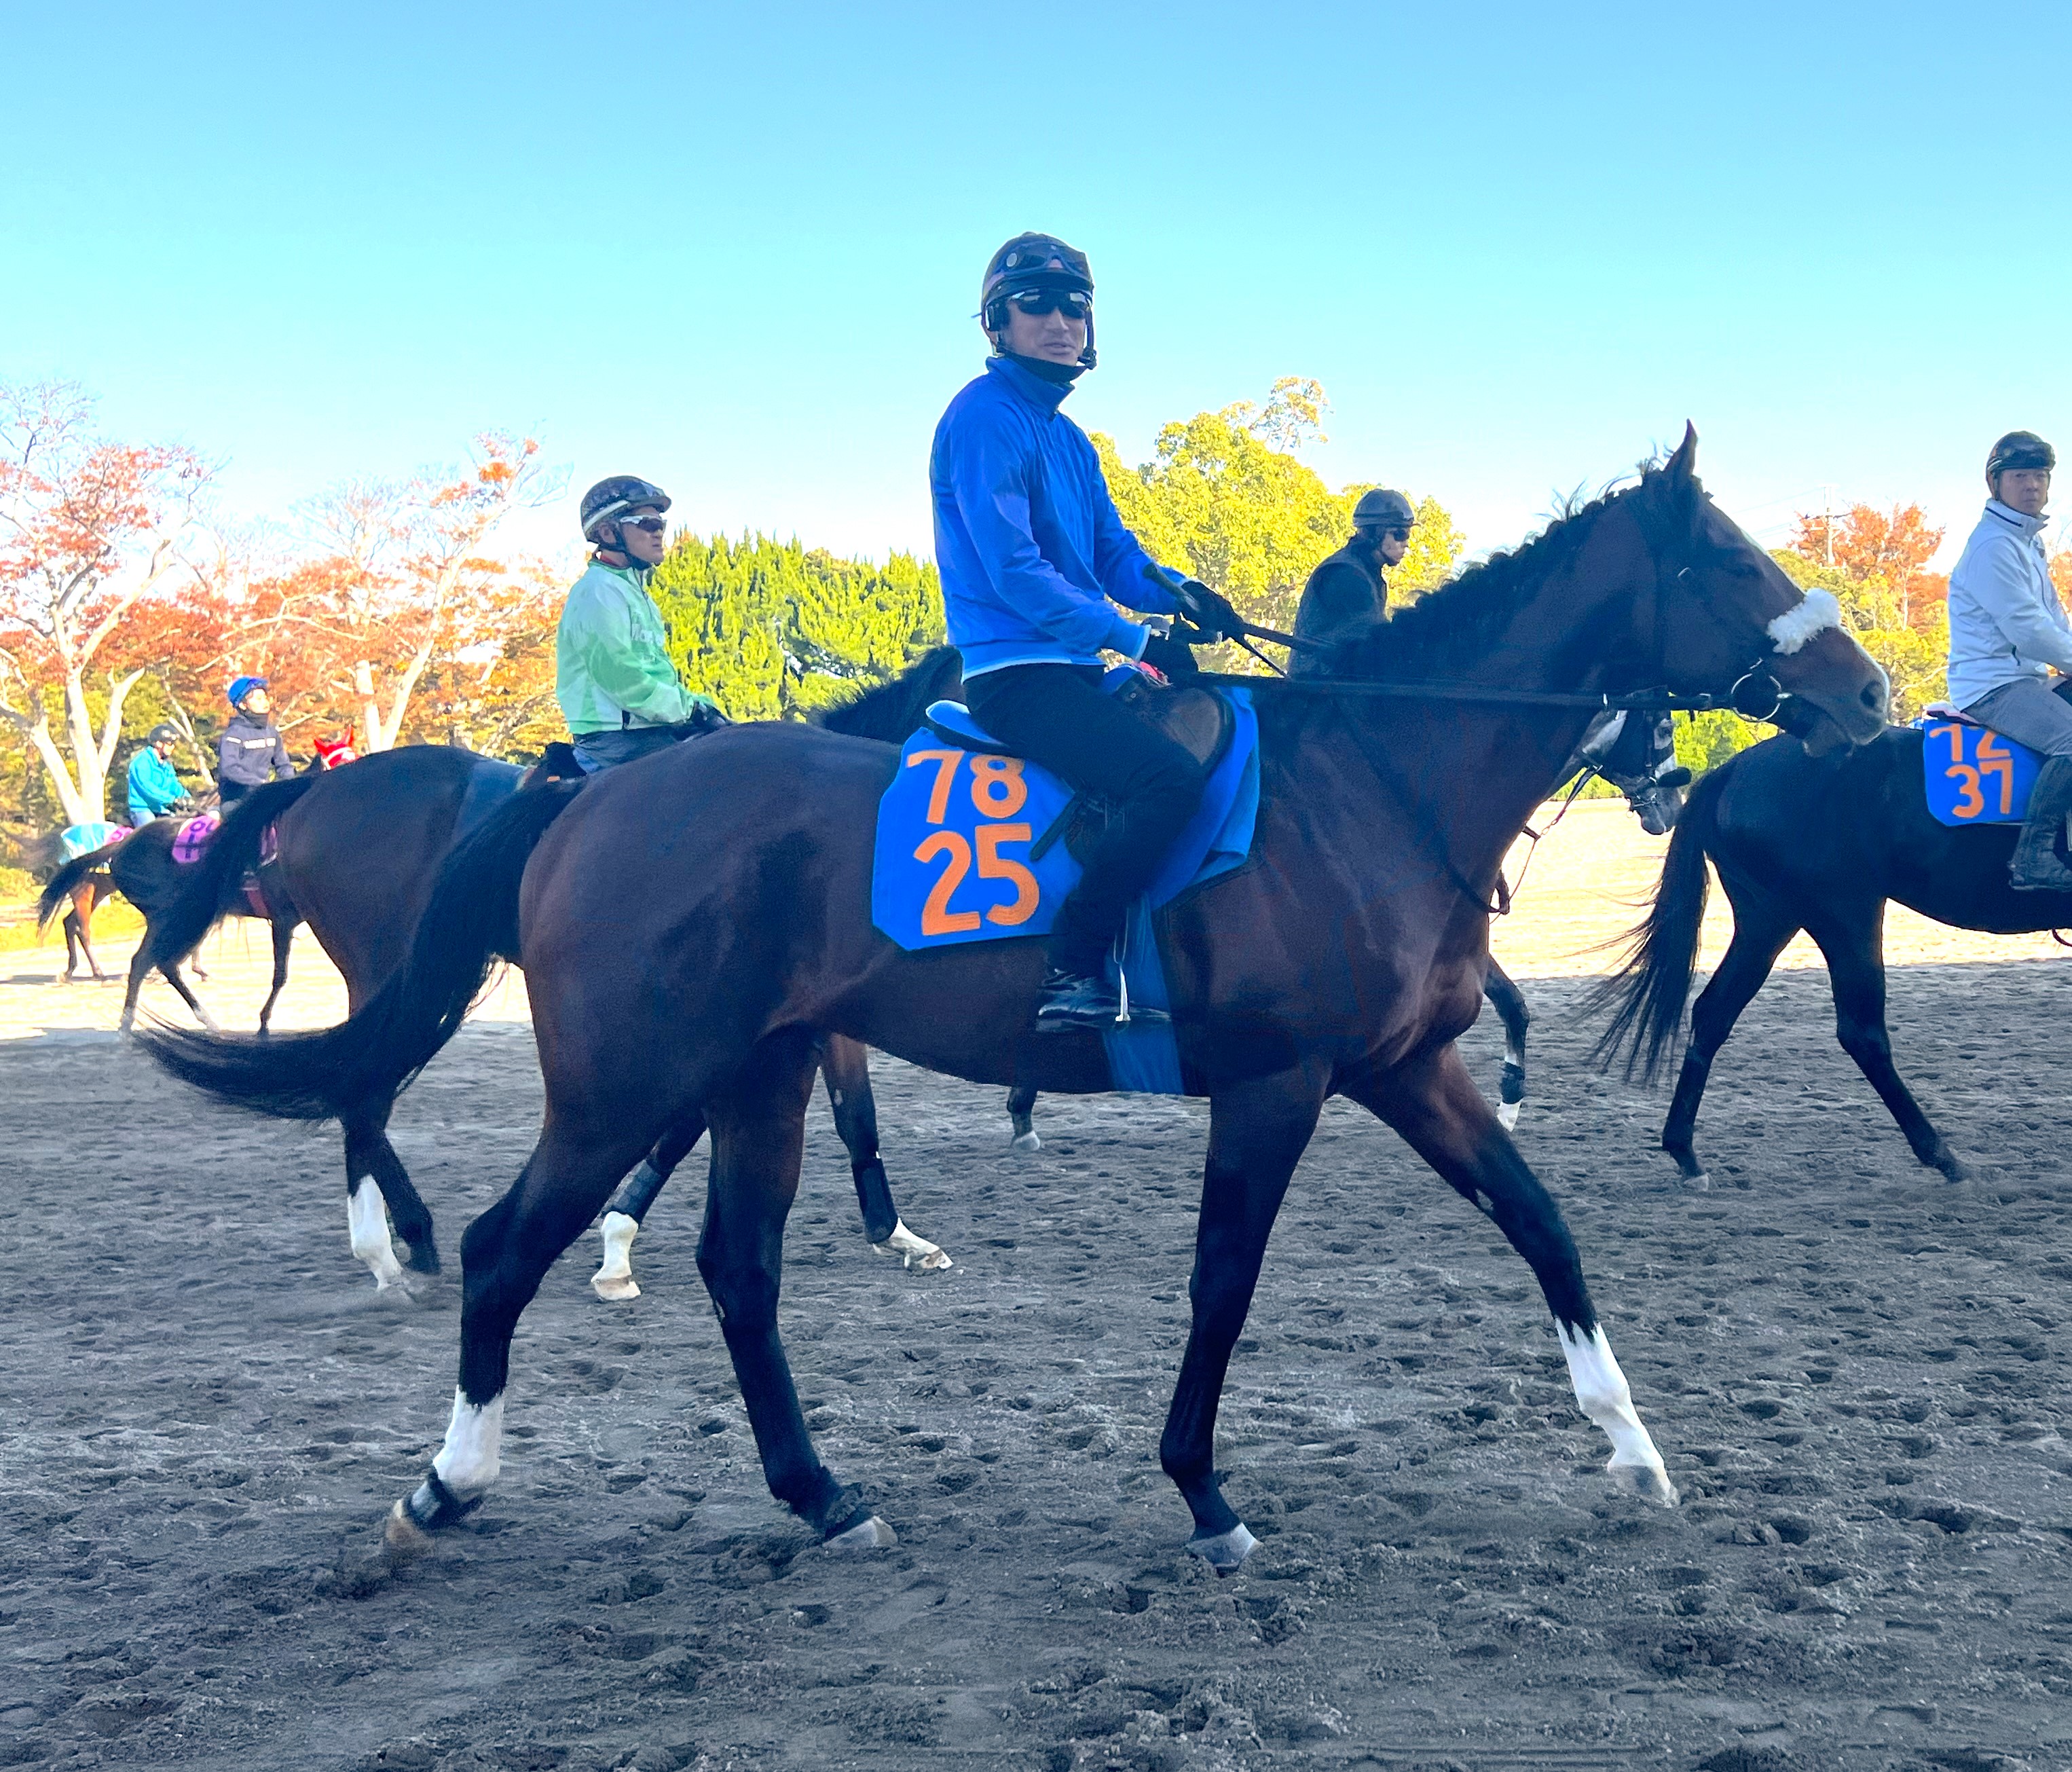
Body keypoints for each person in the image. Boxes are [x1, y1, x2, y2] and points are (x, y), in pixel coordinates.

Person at [933, 232, 1246, 1029]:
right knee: (1164, 780)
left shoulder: (1069, 439)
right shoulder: (984, 417)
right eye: (1034, 305)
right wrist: (1138, 640)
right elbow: (1016, 572)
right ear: (997, 324)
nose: (1060, 322)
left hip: (1071, 668)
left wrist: (1182, 595)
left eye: (1074, 307)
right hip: (1015, 677)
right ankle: (1071, 970)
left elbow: (1113, 555)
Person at [1946, 430, 2072, 890]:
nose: (2032, 486)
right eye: (2020, 476)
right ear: (1995, 483)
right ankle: (2033, 858)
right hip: (1994, 686)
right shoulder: (1994, 546)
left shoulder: (2027, 543)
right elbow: (2028, 630)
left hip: (2027, 678)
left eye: (2040, 476)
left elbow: (2054, 619)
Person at [555, 475, 726, 773]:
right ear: (608, 532)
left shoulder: (636, 593)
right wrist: (689, 709)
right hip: (615, 740)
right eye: (647, 524)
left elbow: (657, 673)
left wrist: (700, 704)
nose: (658, 533)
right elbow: (622, 678)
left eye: (661, 525)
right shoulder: (598, 591)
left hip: (650, 728)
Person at [1291, 487, 1416, 669]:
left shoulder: (1368, 573)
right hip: (1318, 680)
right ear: (1374, 533)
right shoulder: (1346, 574)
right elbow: (1376, 640)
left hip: (1339, 676)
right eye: (1399, 535)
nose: (1405, 543)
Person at [218, 678, 294, 806]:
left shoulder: (272, 733)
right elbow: (230, 769)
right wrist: (261, 784)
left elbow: (284, 765)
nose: (265, 702)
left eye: (265, 697)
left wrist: (289, 785)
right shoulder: (233, 735)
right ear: (243, 705)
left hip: (263, 796)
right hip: (237, 800)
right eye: (258, 699)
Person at [126, 724, 191, 827]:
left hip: (162, 809)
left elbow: (173, 784)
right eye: (170, 744)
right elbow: (148, 789)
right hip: (143, 809)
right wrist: (173, 800)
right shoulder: (141, 762)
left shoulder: (166, 765)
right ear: (159, 743)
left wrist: (187, 797)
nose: (173, 747)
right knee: (153, 833)